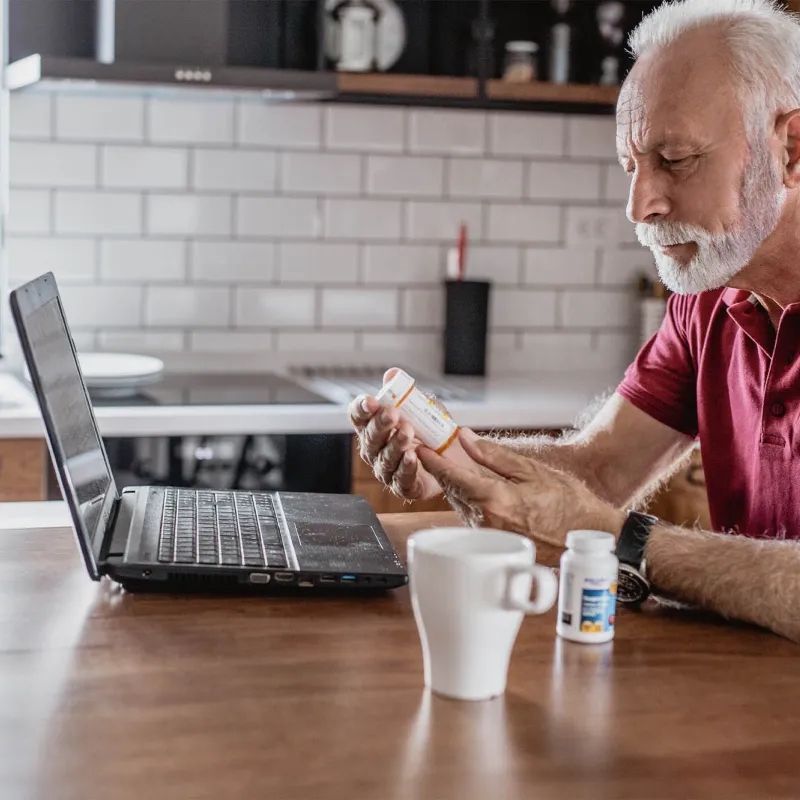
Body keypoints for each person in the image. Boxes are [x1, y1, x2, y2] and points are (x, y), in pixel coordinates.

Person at [349, 0, 800, 643]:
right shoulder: (707, 300)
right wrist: (453, 457)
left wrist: (623, 542)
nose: (640, 206)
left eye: (674, 160)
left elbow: (596, 512)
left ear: (791, 148)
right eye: (631, 167)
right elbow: (603, 466)